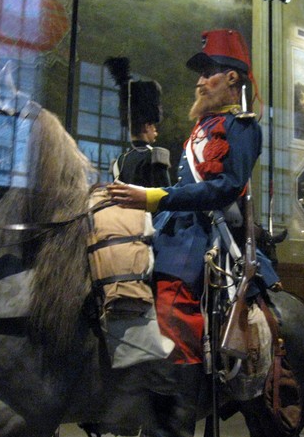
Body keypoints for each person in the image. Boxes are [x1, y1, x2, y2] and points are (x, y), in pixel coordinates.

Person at [107, 29, 280, 437]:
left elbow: (225, 188)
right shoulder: (203, 126)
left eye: (210, 73)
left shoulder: (241, 127)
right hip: (173, 230)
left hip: (203, 238)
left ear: (233, 79)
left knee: (172, 310)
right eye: (200, 75)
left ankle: (175, 419)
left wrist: (153, 196)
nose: (200, 81)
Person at [106, 57, 172, 187]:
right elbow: (164, 196)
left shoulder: (119, 162)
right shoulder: (154, 156)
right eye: (153, 125)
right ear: (147, 126)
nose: (155, 131)